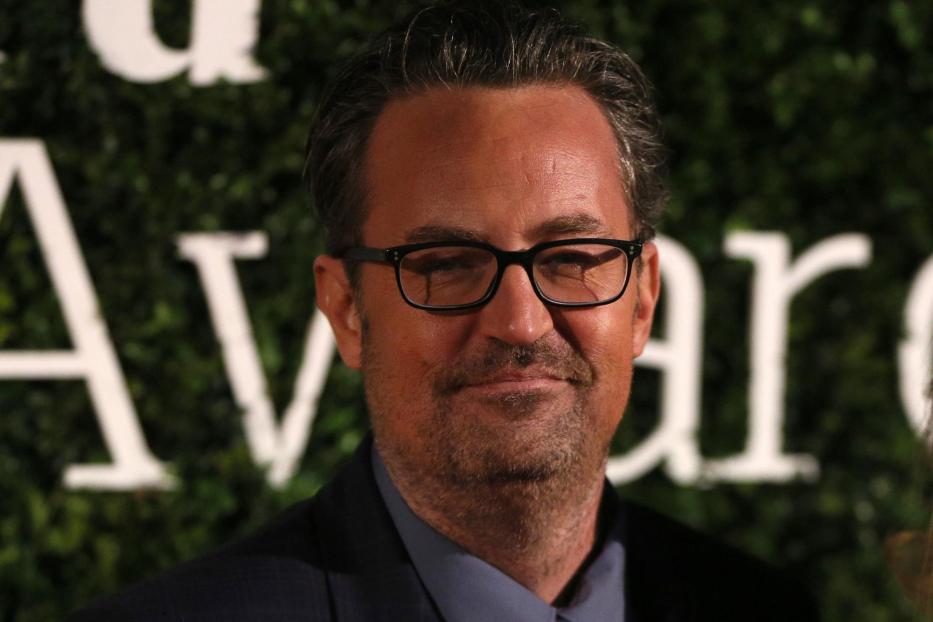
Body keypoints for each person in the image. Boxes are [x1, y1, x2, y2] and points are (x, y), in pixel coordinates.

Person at [71, 1, 818, 620]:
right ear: (345, 309)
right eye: (447, 265)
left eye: (569, 258)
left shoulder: (766, 610)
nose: (520, 322)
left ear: (642, 297)